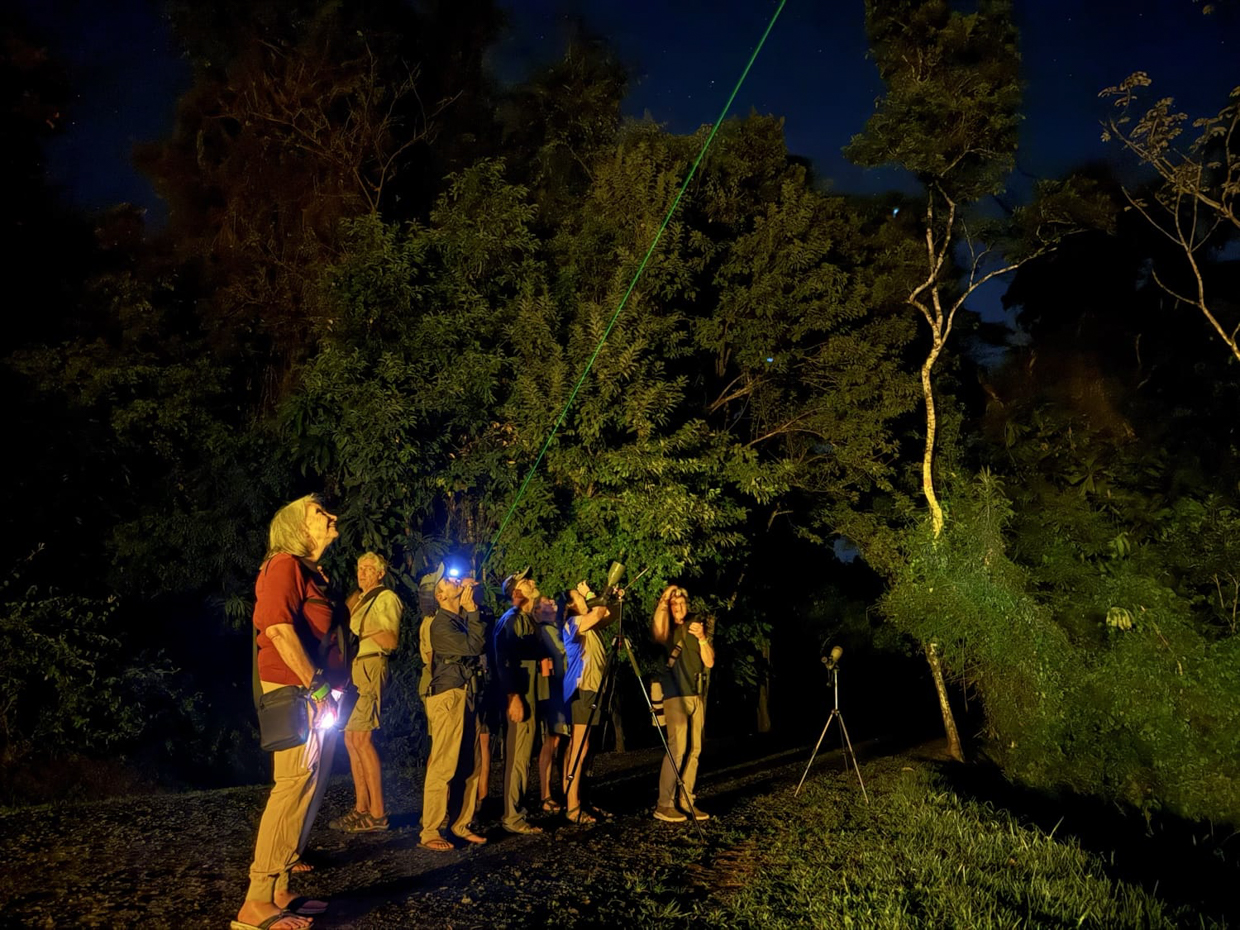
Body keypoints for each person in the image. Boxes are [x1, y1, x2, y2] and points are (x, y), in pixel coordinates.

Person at [234, 495, 344, 930]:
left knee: (307, 785)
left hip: (317, 692)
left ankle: (279, 886)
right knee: (292, 785)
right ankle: (255, 901)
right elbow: (277, 628)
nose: (330, 516)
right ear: (296, 526)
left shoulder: (312, 573)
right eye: (319, 512)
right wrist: (316, 686)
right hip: (297, 689)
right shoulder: (283, 564)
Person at [330, 552, 403, 833]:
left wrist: (359, 632)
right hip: (353, 669)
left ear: (380, 573)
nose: (362, 573)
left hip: (371, 665)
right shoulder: (359, 599)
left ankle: (378, 813)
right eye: (360, 568)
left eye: (369, 569)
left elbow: (391, 639)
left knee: (361, 738)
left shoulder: (385, 598)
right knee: (350, 738)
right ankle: (362, 807)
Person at [419, 565, 488, 851]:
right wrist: (471, 611)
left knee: (472, 765)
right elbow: (474, 646)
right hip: (448, 696)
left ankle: (461, 823)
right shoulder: (440, 624)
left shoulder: (457, 618)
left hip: (465, 693)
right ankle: (430, 830)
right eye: (448, 580)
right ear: (439, 594)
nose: (455, 581)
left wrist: (472, 604)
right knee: (443, 765)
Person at [650, 584, 715, 823]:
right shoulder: (665, 628)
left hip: (696, 694)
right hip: (675, 694)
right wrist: (666, 594)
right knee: (677, 750)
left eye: (682, 603)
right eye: (674, 604)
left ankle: (687, 799)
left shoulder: (695, 626)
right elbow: (657, 630)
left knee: (695, 750)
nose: (678, 607)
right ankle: (664, 804)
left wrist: (703, 639)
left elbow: (709, 662)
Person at [493, 567, 548, 834]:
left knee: (524, 755)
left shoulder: (527, 619)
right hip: (520, 694)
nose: (532, 580)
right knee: (517, 756)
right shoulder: (511, 620)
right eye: (526, 580)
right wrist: (513, 697)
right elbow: (504, 661)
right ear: (516, 592)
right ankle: (512, 816)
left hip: (529, 692)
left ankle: (518, 812)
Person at [561, 582, 617, 824]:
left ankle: (581, 800)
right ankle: (572, 806)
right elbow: (599, 612)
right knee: (579, 747)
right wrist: (595, 595)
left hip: (593, 688)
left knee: (585, 748)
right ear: (571, 605)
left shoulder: (589, 625)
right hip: (581, 689)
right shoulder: (573, 623)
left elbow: (608, 614)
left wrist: (613, 598)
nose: (584, 600)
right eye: (579, 598)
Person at [533, 596, 569, 813]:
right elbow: (561, 652)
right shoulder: (545, 630)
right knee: (552, 739)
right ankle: (545, 794)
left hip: (562, 687)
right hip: (553, 689)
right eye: (547, 603)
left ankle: (565, 788)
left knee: (562, 738)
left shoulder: (557, 627)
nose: (553, 605)